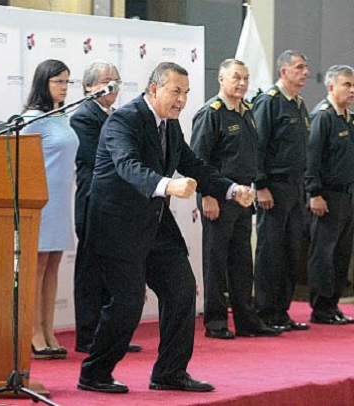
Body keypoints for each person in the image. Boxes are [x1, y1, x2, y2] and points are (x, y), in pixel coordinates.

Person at [78, 62, 254, 394]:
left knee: (182, 289)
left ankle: (169, 372)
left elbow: (193, 164)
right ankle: (95, 372)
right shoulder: (123, 120)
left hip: (155, 225)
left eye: (186, 93)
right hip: (118, 226)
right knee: (128, 303)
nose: (182, 100)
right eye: (176, 91)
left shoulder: (170, 125)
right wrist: (166, 185)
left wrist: (231, 189)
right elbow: (127, 165)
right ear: (154, 89)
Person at [190, 59, 281, 339]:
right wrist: (207, 195)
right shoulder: (212, 113)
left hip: (243, 196)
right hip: (218, 196)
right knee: (216, 261)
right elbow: (198, 160)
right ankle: (216, 321)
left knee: (242, 260)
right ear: (221, 79)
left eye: (245, 78)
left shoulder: (247, 111)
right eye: (236, 77)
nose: (242, 83)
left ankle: (246, 320)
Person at [70, 60, 141, 354]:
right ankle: (88, 336)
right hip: (93, 200)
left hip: (115, 202)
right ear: (88, 87)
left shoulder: (117, 116)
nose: (113, 85)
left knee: (112, 271)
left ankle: (110, 335)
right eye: (105, 80)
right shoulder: (83, 117)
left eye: (116, 79)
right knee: (90, 270)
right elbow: (97, 157)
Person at [21, 59, 79, 359]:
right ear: (43, 83)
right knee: (38, 264)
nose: (64, 87)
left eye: (67, 81)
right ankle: (32, 332)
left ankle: (48, 328)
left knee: (53, 263)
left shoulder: (61, 115)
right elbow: (21, 160)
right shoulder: (32, 118)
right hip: (40, 200)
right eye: (58, 81)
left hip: (61, 199)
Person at [252, 50, 310, 331]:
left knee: (291, 250)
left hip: (296, 187)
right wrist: (261, 185)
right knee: (270, 251)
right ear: (283, 71)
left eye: (306, 67)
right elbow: (257, 146)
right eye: (299, 67)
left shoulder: (299, 104)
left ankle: (281, 311)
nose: (305, 72)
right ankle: (264, 312)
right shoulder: (269, 102)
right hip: (273, 187)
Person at [306, 65, 354, 325]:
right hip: (327, 195)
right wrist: (314, 193)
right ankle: (321, 308)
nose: (352, 91)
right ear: (331, 87)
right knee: (324, 254)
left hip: (348, 194)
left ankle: (333, 304)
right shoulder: (322, 116)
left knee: (341, 254)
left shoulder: (351, 118)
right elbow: (312, 158)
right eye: (346, 85)